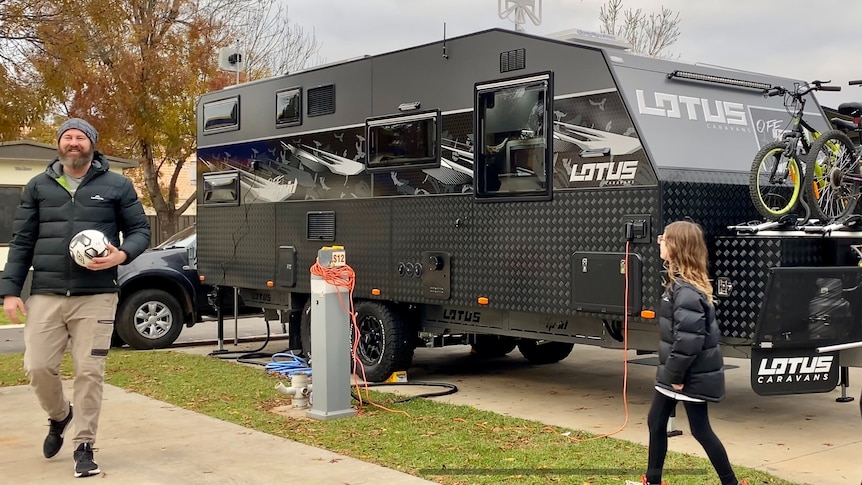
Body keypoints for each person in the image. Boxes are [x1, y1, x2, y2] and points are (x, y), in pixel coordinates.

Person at [0, 118, 150, 478]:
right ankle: (59, 416)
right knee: (36, 367)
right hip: (46, 294)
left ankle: (84, 445)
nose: (73, 142)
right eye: (67, 137)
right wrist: (9, 291)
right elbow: (22, 241)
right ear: (59, 144)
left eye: (80, 137)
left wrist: (121, 255)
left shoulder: (117, 185)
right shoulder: (38, 186)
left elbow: (140, 230)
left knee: (89, 372)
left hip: (96, 295)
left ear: (92, 145)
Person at [641, 220, 746, 485]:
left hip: (685, 374)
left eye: (664, 238)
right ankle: (653, 481)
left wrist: (675, 375)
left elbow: (689, 341)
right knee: (657, 422)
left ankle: (730, 483)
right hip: (676, 372)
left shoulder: (686, 291)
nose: (659, 241)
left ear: (677, 246)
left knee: (700, 430)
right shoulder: (679, 284)